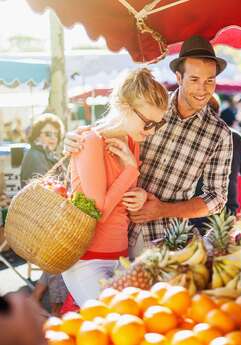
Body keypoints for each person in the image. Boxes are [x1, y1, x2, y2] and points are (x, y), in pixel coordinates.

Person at [64, 35, 233, 259]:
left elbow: (217, 198)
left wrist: (162, 209)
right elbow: (108, 130)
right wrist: (75, 138)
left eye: (209, 81)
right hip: (116, 231)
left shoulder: (220, 134)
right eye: (194, 79)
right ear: (179, 77)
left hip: (166, 240)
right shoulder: (151, 105)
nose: (203, 89)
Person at [61, 68, 169, 305]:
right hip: (87, 261)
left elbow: (121, 195)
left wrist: (140, 195)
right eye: (148, 123)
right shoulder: (90, 141)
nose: (151, 132)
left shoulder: (132, 140)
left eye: (157, 126)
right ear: (124, 107)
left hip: (120, 256)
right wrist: (131, 169)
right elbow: (98, 212)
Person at [19, 113, 68, 315]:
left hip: (46, 219)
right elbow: (46, 192)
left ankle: (37, 296)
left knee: (61, 248)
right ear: (37, 135)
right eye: (48, 133)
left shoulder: (46, 155)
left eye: (56, 134)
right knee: (60, 250)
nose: (53, 138)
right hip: (34, 222)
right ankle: (56, 307)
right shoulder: (35, 156)